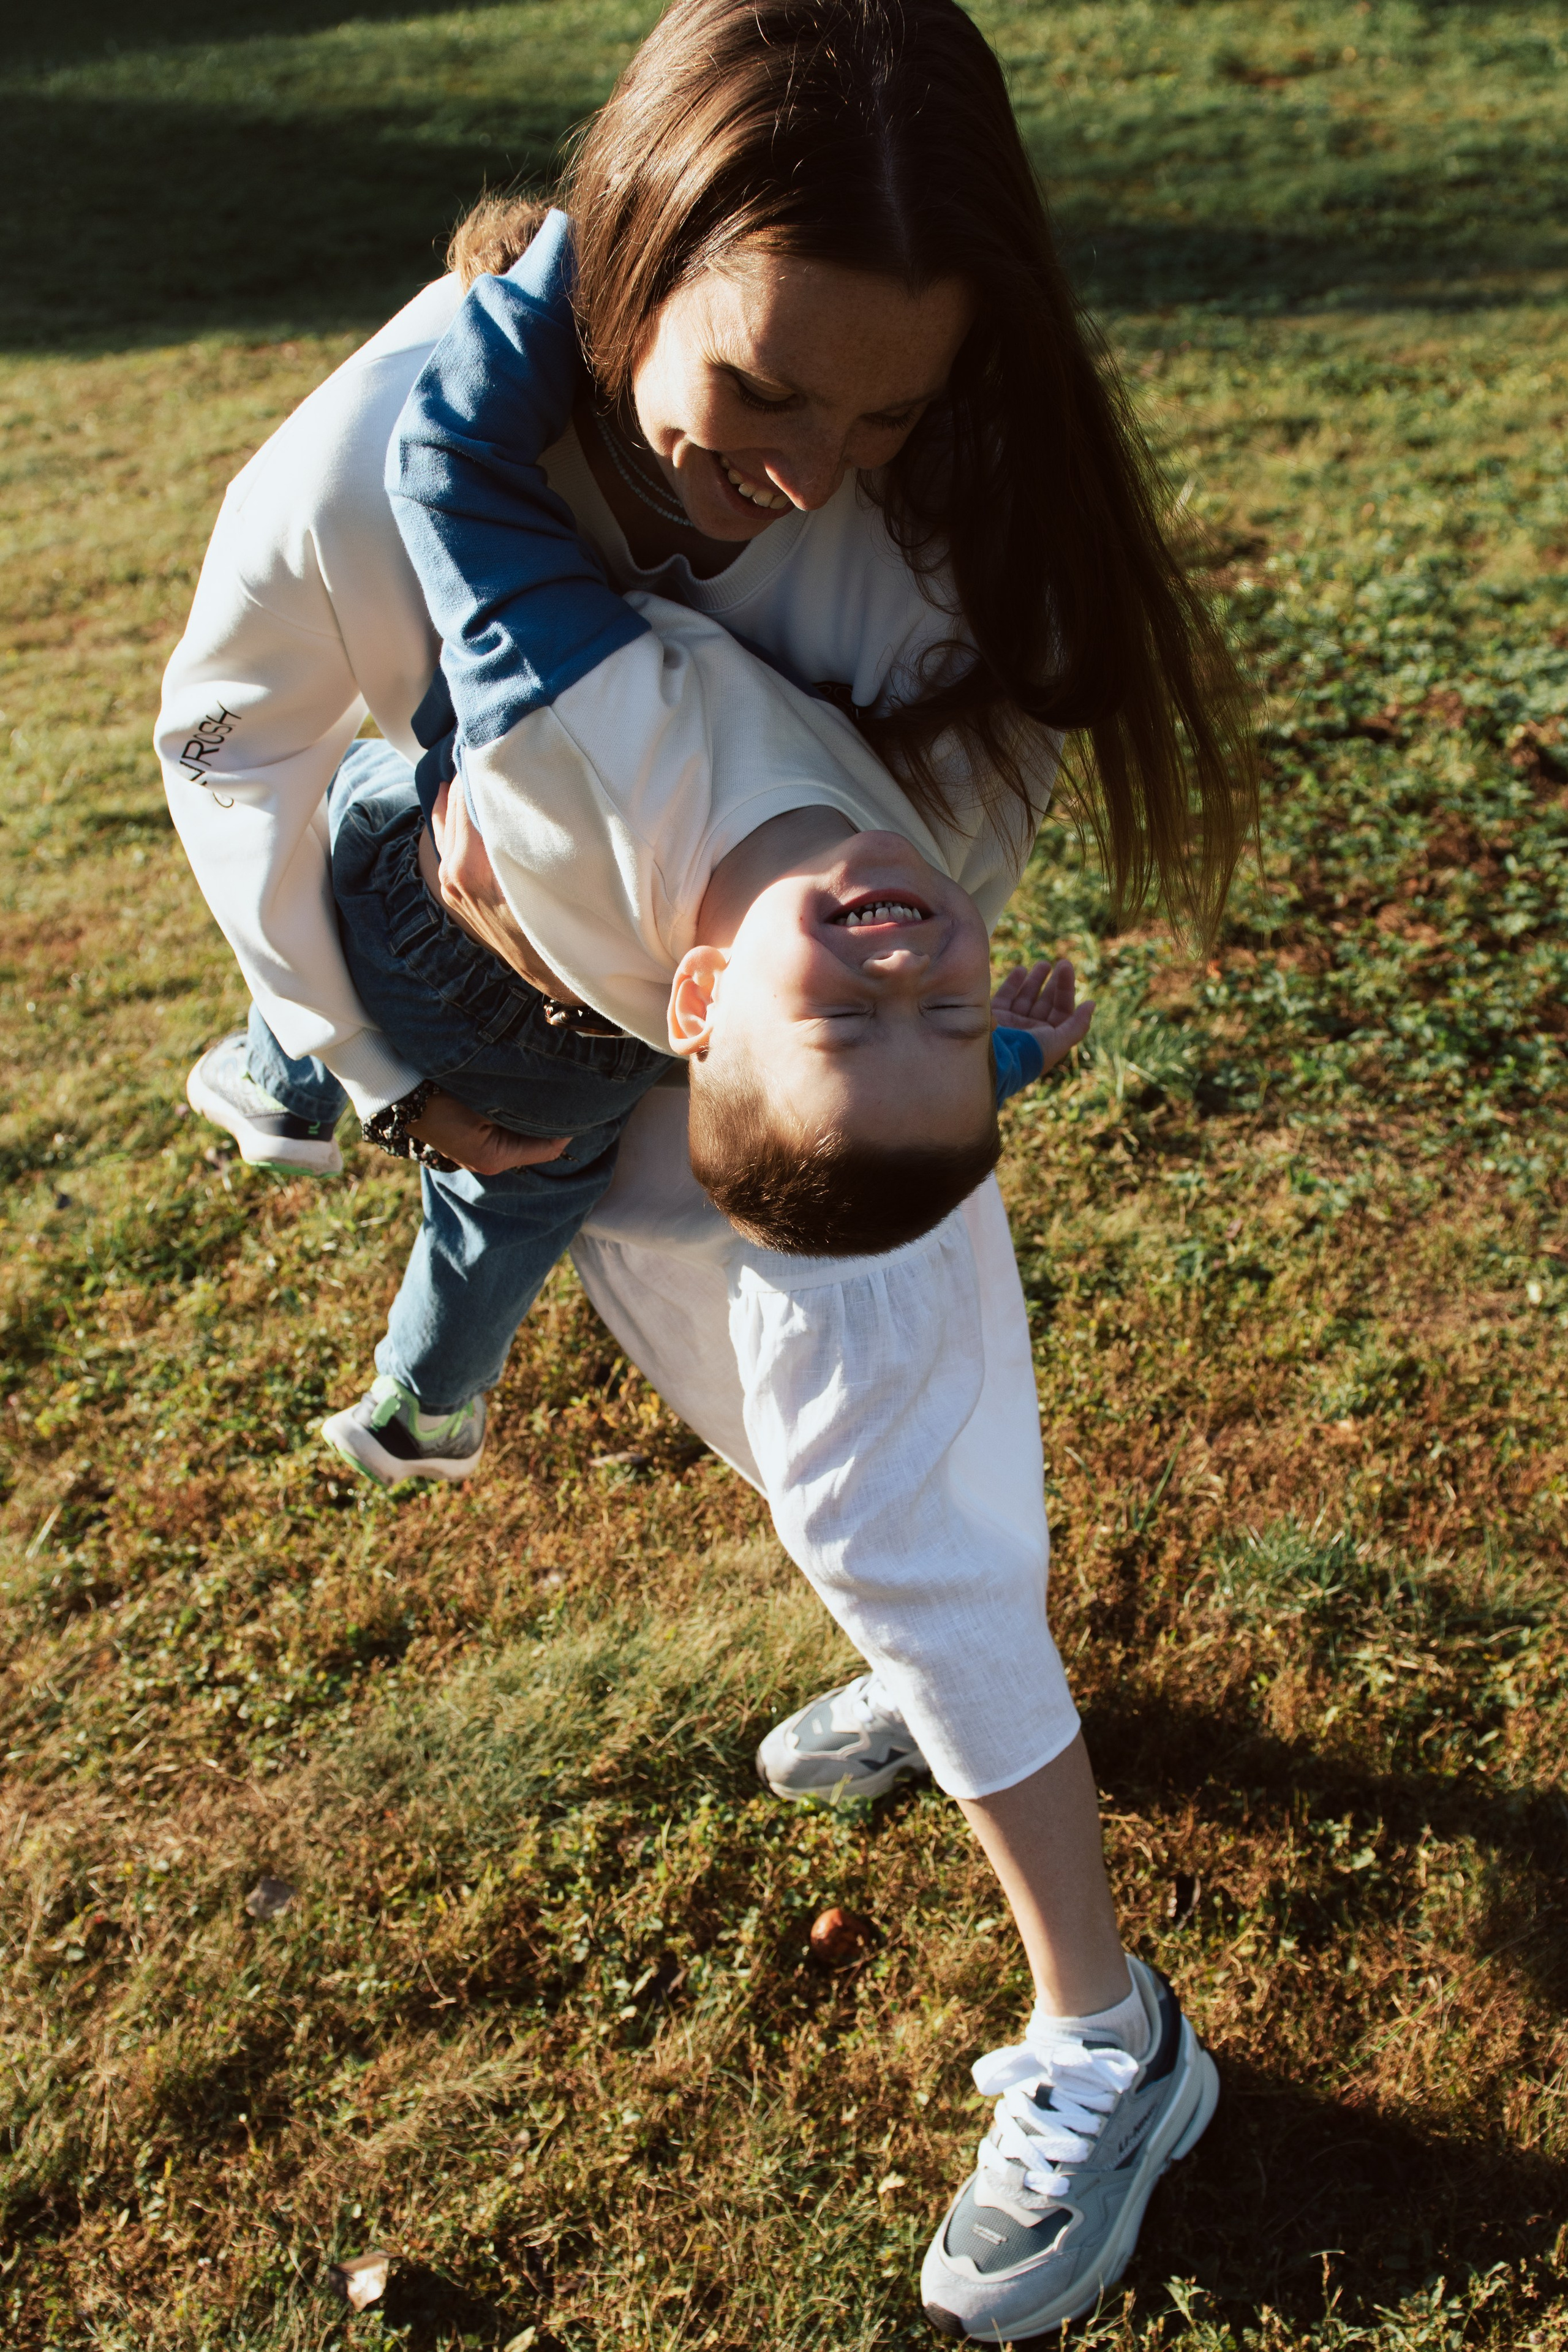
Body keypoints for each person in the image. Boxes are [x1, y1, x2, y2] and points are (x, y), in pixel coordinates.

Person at [154, 0, 1256, 2332]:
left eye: (882, 413)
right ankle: (929, 1663)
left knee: (897, 1502)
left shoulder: (917, 521)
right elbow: (234, 736)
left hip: (822, 1070)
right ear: (633, 261)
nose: (811, 467)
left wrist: (857, 978)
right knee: (780, 1439)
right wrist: (373, 1064)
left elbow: (976, 803)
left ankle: (1107, 2036)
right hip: (629, 1058)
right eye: (760, 396)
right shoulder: (391, 450)